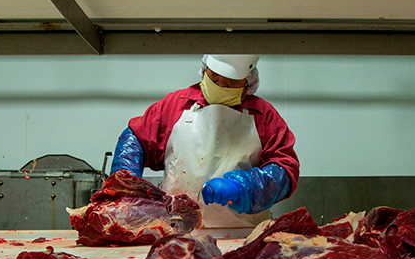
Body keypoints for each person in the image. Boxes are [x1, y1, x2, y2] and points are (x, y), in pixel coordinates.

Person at [109, 54, 299, 228]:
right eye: (214, 79)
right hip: (175, 232)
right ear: (204, 71)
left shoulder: (264, 116)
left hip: (244, 234)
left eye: (230, 83)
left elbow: (284, 170)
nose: (221, 87)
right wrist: (125, 186)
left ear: (248, 82)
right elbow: (135, 139)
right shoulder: (176, 105)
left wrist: (245, 188)